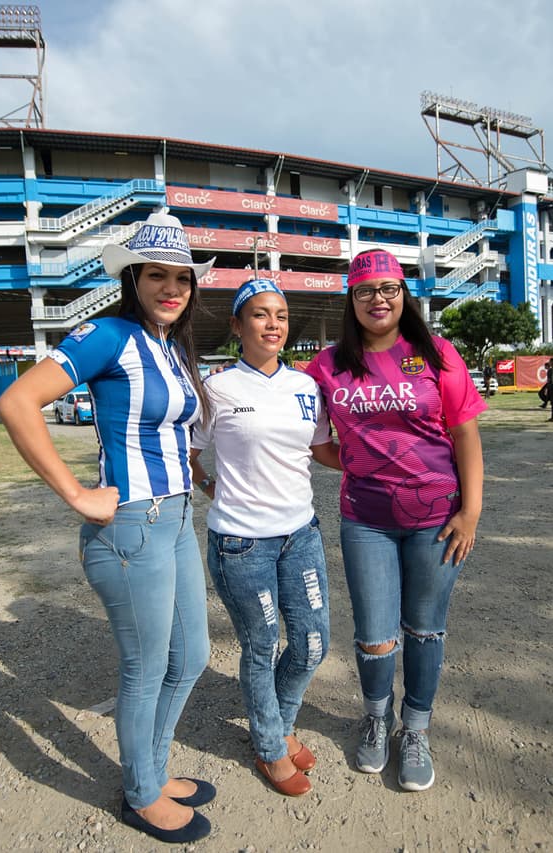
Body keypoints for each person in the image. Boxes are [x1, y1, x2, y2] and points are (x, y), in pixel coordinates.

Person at [0, 213, 215, 844]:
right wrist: (75, 493)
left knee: (191, 655)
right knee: (146, 666)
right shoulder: (108, 336)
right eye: (157, 276)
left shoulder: (169, 348)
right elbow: (15, 402)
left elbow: (171, 433)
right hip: (130, 529)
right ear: (133, 278)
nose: (171, 288)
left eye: (181, 278)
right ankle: (140, 792)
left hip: (174, 521)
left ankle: (154, 768)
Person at [304, 248, 486, 793]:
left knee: (425, 630)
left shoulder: (437, 354)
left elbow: (465, 436)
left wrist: (471, 511)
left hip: (437, 520)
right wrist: (363, 463)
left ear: (403, 295)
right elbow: (317, 443)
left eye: (388, 289)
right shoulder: (328, 365)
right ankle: (377, 717)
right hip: (366, 521)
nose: (377, 299)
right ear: (351, 301)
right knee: (376, 637)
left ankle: (417, 729)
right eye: (365, 291)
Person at [188, 280, 339, 798]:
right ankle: (271, 746)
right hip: (241, 544)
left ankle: (279, 722)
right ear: (237, 325)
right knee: (261, 646)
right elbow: (189, 451)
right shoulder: (217, 388)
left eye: (280, 314)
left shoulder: (306, 387)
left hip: (301, 535)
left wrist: (381, 462)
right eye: (259, 315)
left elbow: (321, 449)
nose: (272, 324)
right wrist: (210, 488)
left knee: (313, 643)